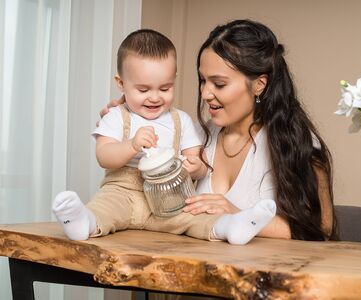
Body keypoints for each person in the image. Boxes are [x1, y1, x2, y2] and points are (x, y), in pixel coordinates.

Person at [102, 19, 336, 241]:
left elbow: (321, 230)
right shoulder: (198, 136)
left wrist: (235, 212)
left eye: (219, 84)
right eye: (203, 81)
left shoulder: (295, 143)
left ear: (259, 85)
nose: (205, 94)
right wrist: (127, 118)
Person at [52, 29, 276, 245]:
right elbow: (104, 156)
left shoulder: (182, 121)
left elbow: (199, 163)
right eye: (143, 90)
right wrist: (131, 145)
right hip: (123, 191)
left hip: (167, 199)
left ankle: (230, 227)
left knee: (194, 218)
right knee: (105, 209)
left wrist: (193, 167)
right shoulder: (117, 116)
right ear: (121, 84)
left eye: (165, 88)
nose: (154, 97)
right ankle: (83, 222)